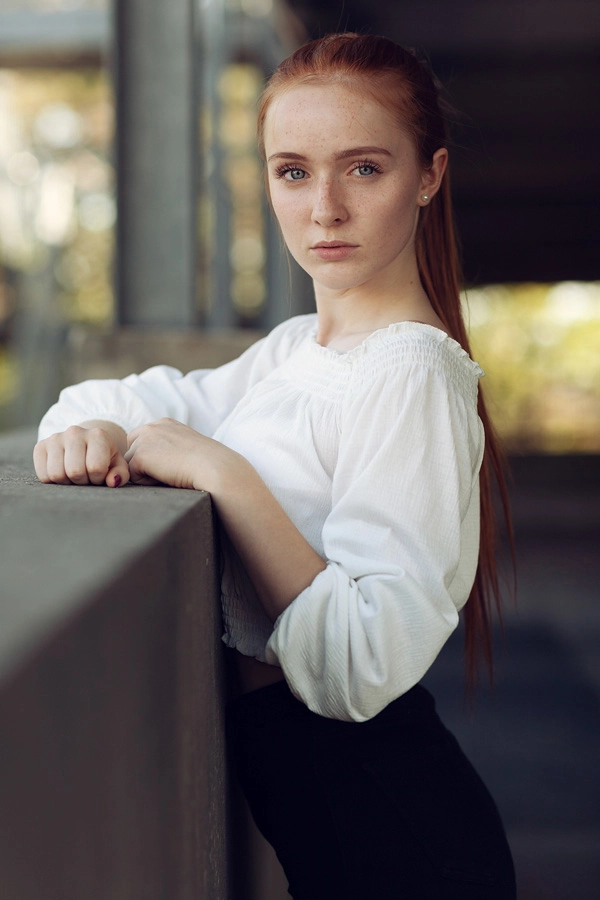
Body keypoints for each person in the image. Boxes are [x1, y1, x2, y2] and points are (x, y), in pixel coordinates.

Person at [34, 32, 516, 900]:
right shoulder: (298, 352)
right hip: (334, 825)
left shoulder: (408, 370)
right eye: (293, 171)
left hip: (398, 835)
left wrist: (226, 476)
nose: (324, 207)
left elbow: (362, 666)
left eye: (363, 169)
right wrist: (91, 427)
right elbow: (117, 398)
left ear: (430, 176)